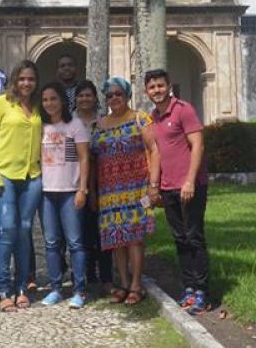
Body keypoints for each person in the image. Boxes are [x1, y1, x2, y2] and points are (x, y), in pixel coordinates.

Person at [144, 69, 210, 315]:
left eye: (160, 85)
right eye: (152, 87)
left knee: (194, 237)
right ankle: (189, 288)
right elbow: (158, 152)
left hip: (190, 186)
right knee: (180, 239)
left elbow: (198, 145)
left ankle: (203, 291)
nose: (157, 90)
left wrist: (190, 181)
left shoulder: (184, 110)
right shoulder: (155, 117)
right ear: (146, 91)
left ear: (169, 86)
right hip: (169, 187)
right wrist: (155, 185)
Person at [0, 60, 43, 312]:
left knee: (24, 229)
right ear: (14, 80)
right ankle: (3, 288)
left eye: (30, 79)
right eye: (22, 79)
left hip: (33, 175)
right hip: (4, 174)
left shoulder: (39, 106)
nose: (26, 83)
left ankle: (21, 287)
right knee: (6, 230)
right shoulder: (1, 103)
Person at [91, 76, 157, 306]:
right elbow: (92, 159)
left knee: (134, 238)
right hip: (109, 191)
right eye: (109, 95)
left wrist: (153, 185)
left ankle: (137, 284)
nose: (114, 98)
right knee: (116, 239)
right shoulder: (99, 125)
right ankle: (123, 281)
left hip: (136, 188)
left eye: (119, 94)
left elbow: (154, 150)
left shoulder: (140, 119)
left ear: (127, 95)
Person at [39, 81, 90, 308]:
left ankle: (79, 290)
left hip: (70, 191)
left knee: (75, 242)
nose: (49, 103)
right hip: (47, 193)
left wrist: (83, 189)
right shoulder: (40, 127)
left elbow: (84, 158)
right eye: (45, 100)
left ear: (62, 101)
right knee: (51, 243)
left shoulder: (75, 125)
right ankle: (56, 288)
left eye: (54, 98)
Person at [73, 79, 113, 291]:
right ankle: (87, 273)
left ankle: (106, 275)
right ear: (75, 99)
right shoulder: (70, 122)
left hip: (103, 180)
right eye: (81, 95)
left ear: (95, 98)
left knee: (103, 230)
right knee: (82, 230)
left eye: (88, 95)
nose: (84, 99)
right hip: (75, 181)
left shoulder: (104, 122)